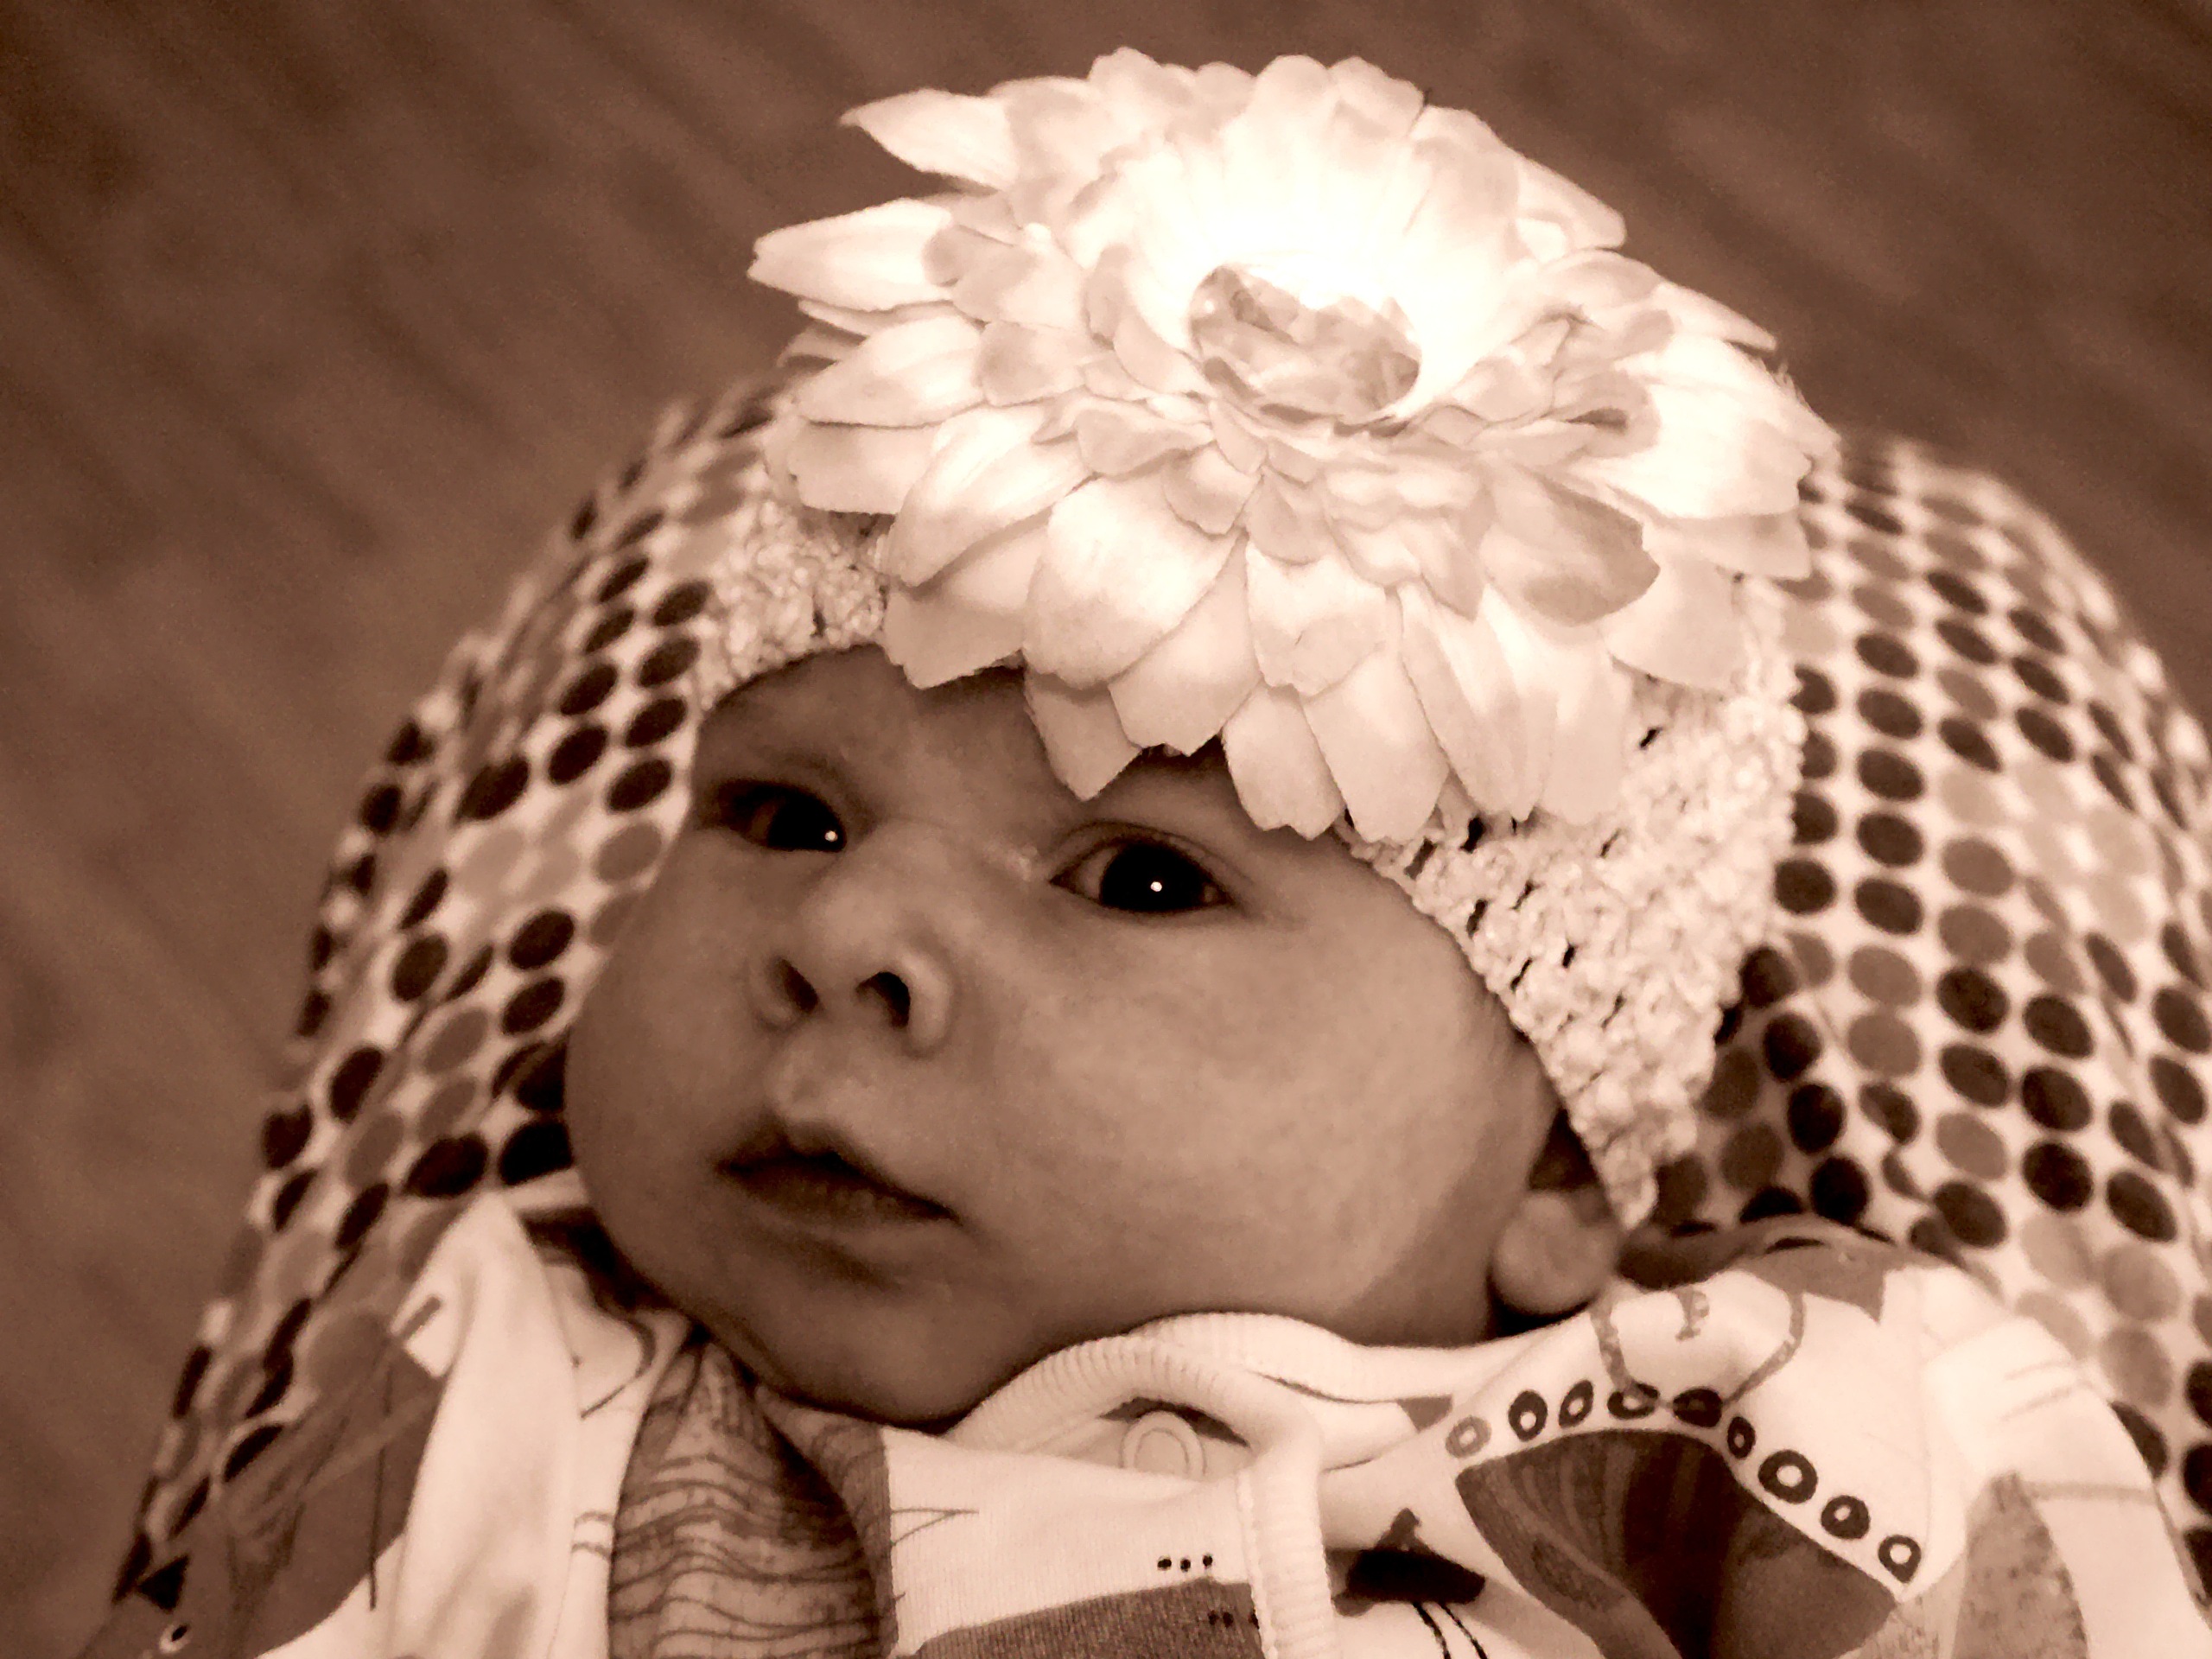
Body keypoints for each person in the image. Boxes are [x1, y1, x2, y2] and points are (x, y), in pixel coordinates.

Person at [82, 53, 2212, 1659]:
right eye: (785, 814)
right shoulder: (473, 1387)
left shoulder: (1783, 1427)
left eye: (1142, 877)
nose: (844, 926)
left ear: (1558, 1171)